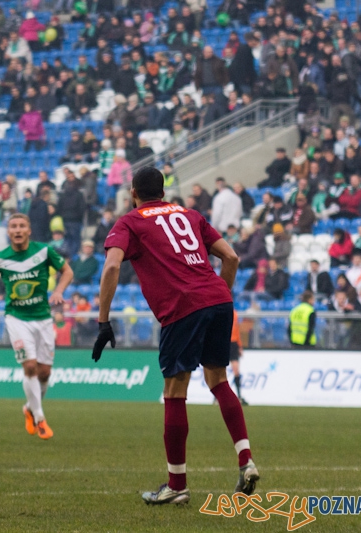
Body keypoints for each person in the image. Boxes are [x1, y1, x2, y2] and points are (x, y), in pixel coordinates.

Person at [94, 166, 258, 505]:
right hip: (218, 299)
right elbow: (231, 256)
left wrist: (103, 320)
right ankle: (246, 460)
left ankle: (177, 485)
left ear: (133, 193)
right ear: (164, 192)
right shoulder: (191, 214)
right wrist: (215, 298)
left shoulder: (130, 221)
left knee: (174, 390)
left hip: (182, 307)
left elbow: (111, 266)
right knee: (219, 381)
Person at [0, 214, 74, 440]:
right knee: (29, 366)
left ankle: (29, 408)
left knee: (44, 372)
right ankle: (40, 418)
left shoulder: (43, 251)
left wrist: (59, 291)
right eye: (13, 226)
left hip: (43, 318)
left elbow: (67, 271)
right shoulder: (0, 259)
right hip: (16, 318)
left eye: (22, 226)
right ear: (9, 232)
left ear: (29, 230)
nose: (18, 230)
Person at [229, 307, 247, 405]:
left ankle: (239, 396)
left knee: (236, 371)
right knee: (220, 372)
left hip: (233, 343)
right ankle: (216, 398)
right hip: (226, 342)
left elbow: (237, 330)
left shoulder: (235, 313)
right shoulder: (233, 313)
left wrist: (239, 345)